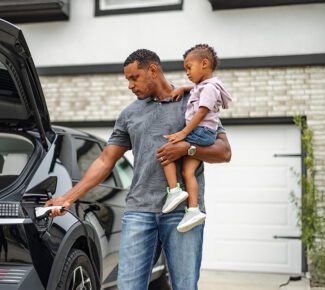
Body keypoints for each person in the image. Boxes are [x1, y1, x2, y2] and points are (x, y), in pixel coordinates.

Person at [45, 49, 231, 290]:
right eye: (127, 80)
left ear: (153, 70)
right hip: (138, 212)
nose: (130, 86)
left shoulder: (194, 101)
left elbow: (224, 151)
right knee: (129, 286)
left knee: (185, 286)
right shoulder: (129, 114)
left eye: (134, 78)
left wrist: (187, 149)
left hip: (183, 213)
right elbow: (105, 161)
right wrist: (67, 197)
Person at [161, 44, 232, 233]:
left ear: (204, 64)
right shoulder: (204, 86)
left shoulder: (209, 88)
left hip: (200, 131)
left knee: (167, 150)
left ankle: (174, 191)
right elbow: (196, 89)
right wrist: (184, 89)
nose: (187, 73)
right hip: (204, 133)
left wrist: (183, 134)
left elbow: (201, 112)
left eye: (189, 68)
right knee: (188, 171)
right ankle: (193, 210)